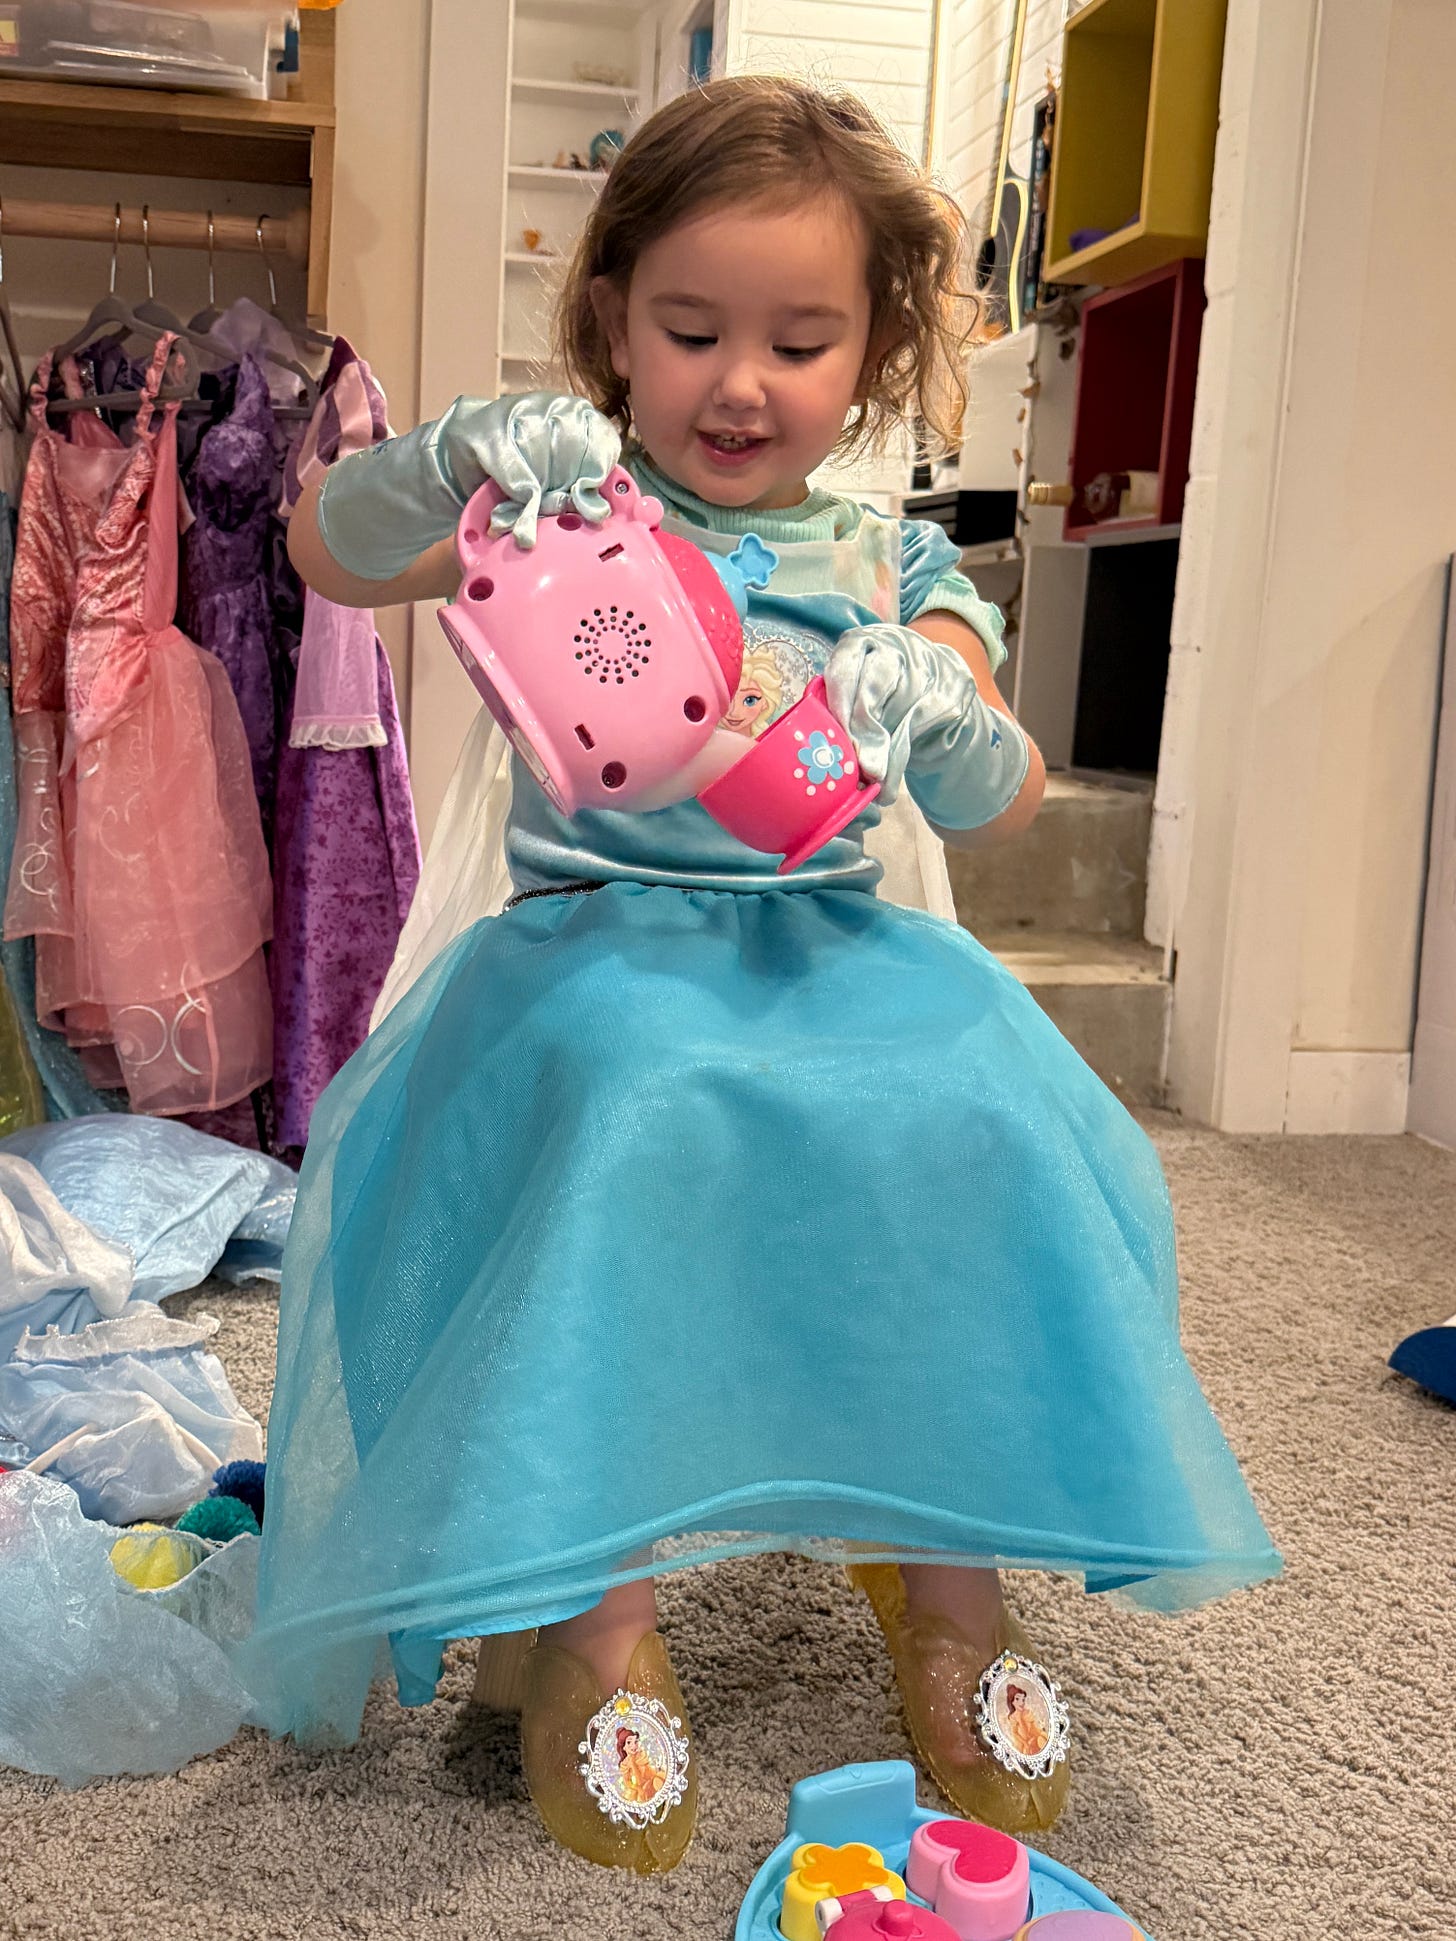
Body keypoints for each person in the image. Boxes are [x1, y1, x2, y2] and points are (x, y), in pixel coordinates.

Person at [246, 76, 1280, 1876]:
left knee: (981, 1111)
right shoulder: (562, 509)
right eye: (691, 330)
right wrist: (464, 454)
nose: (742, 382)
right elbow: (329, 545)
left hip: (832, 948)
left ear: (872, 352)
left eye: (801, 343)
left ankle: (946, 1574)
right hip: (598, 948)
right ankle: (596, 1610)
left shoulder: (892, 556)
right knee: (628, 1111)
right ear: (611, 323)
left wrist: (938, 702)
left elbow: (1009, 793)